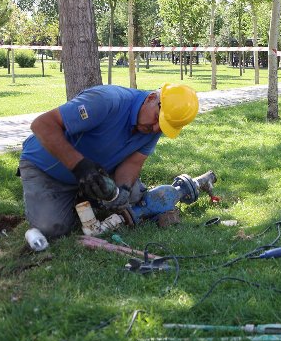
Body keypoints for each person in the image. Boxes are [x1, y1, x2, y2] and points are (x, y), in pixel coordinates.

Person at [19, 83, 199, 238]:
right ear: (151, 98)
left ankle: (84, 196)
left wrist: (123, 189)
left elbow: (133, 162)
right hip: (46, 167)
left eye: (164, 127)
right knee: (52, 228)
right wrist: (79, 166)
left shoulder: (152, 128)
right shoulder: (107, 100)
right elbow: (41, 125)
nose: (154, 129)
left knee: (133, 195)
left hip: (93, 172)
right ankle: (72, 197)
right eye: (157, 119)